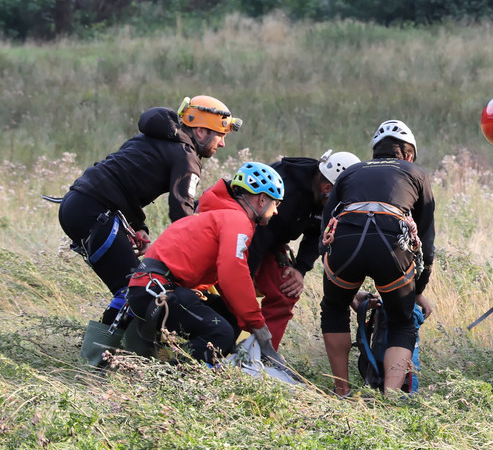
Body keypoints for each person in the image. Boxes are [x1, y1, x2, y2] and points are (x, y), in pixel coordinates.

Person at [57, 95, 240, 326]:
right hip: (93, 211)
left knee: (135, 287)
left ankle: (106, 351)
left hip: (77, 203)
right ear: (202, 132)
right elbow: (181, 213)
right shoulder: (186, 157)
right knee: (137, 290)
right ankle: (100, 355)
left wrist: (139, 227)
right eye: (221, 135)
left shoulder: (151, 138)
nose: (222, 143)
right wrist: (193, 255)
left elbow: (123, 181)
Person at [124, 162, 283, 364]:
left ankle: (182, 363)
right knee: (220, 333)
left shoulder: (221, 214)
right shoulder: (237, 220)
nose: (276, 211)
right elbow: (233, 274)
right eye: (276, 203)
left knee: (229, 316)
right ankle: (171, 378)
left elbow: (227, 281)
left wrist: (248, 320)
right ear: (262, 199)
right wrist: (258, 325)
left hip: (155, 288)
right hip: (157, 291)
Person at [319, 120, 436, 396]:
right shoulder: (415, 172)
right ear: (408, 155)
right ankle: (390, 398)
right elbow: (426, 244)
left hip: (345, 243)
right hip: (391, 245)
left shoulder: (351, 172)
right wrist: (416, 291)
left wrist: (346, 292)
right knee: (402, 320)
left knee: (333, 310)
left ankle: (342, 391)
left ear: (374, 152)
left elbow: (325, 231)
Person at [240, 150, 361, 351]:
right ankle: (223, 349)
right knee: (236, 294)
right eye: (338, 200)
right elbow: (257, 238)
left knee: (286, 290)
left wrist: (300, 269)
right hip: (246, 234)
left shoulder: (325, 197)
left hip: (270, 241)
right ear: (326, 187)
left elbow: (318, 232)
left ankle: (262, 356)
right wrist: (245, 281)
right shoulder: (287, 189)